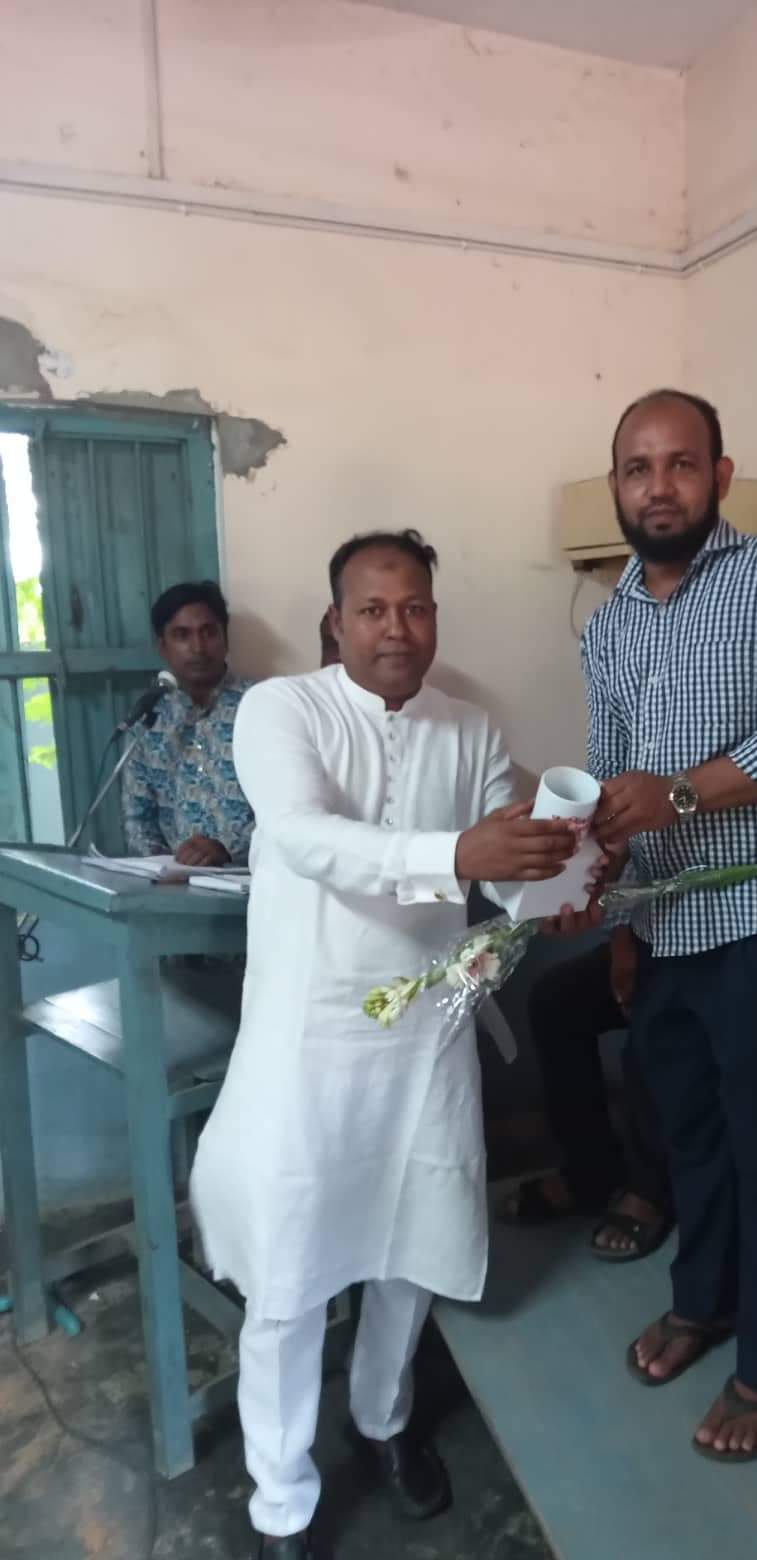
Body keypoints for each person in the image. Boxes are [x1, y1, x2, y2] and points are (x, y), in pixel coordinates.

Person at [189, 531, 577, 1560]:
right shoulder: (283, 711)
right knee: (288, 1273)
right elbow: (304, 835)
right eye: (373, 610)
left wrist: (560, 883)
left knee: (409, 1244)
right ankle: (281, 1497)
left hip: (425, 1037)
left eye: (415, 609)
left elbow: (505, 872)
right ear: (336, 621)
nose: (396, 629)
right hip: (308, 1038)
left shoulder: (470, 727)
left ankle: (383, 1419)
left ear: (434, 617)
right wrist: (458, 852)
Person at [579, 388, 757, 1461]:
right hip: (666, 925)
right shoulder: (608, 623)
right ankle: (703, 1302)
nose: (658, 487)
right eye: (637, 468)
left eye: (681, 464)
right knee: (688, 1135)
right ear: (616, 487)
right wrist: (614, 909)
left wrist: (685, 793)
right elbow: (611, 778)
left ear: (720, 476)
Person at [504, 927, 673, 1260]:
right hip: (652, 934)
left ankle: (650, 1189)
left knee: (650, 1021)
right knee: (556, 997)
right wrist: (623, 943)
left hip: (716, 946)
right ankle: (591, 1172)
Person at [121, 580, 254, 866]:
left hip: (251, 878)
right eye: (182, 635)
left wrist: (229, 852)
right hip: (172, 883)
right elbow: (138, 817)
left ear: (226, 639)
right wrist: (164, 871)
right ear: (163, 646)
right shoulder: (149, 718)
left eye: (209, 632)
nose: (198, 648)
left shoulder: (263, 705)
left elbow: (286, 810)